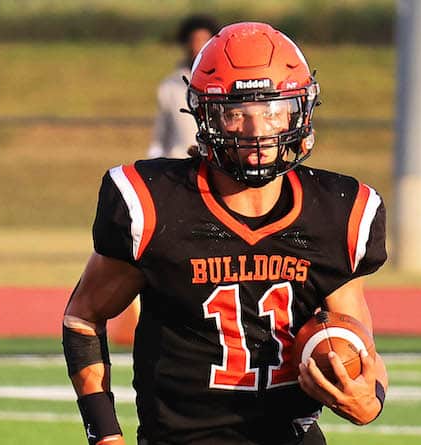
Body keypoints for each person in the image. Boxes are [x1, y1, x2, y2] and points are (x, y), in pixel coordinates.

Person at [63, 22, 389, 445]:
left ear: (300, 111)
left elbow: (356, 337)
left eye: (274, 110)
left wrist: (373, 396)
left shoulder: (337, 212)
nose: (258, 132)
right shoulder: (156, 204)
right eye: (237, 113)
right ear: (206, 115)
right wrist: (104, 433)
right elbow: (84, 315)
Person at [146, 14, 219, 159]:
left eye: (203, 40)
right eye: (194, 40)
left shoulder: (219, 83)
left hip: (212, 161)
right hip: (179, 161)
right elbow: (162, 129)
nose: (197, 46)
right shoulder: (170, 85)